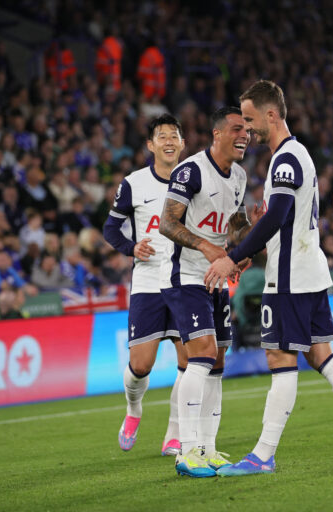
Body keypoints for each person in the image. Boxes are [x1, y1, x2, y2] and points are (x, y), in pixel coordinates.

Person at [204, 80, 333, 476]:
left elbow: (278, 216)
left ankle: (263, 455)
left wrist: (233, 257)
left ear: (272, 115)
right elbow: (278, 216)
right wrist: (258, 234)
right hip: (309, 272)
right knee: (321, 354)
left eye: (251, 119)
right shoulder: (295, 155)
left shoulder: (286, 159)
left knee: (280, 358)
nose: (247, 129)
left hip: (289, 279)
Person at [158, 106, 251, 477]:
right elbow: (167, 222)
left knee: (218, 362)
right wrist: (207, 247)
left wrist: (242, 249)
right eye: (236, 129)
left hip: (217, 279)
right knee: (202, 355)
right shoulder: (191, 170)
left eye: (247, 130)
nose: (244, 135)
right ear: (217, 134)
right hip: (187, 276)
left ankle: (208, 449)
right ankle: (186, 450)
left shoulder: (240, 176)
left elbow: (237, 225)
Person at [102, 114, 189, 456]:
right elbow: (111, 228)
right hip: (148, 281)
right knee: (141, 365)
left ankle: (174, 433)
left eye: (174, 136)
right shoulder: (134, 183)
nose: (169, 141)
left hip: (185, 280)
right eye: (162, 136)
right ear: (151, 146)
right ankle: (134, 410)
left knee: (189, 363)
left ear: (182, 143)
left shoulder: (194, 179)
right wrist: (131, 247)